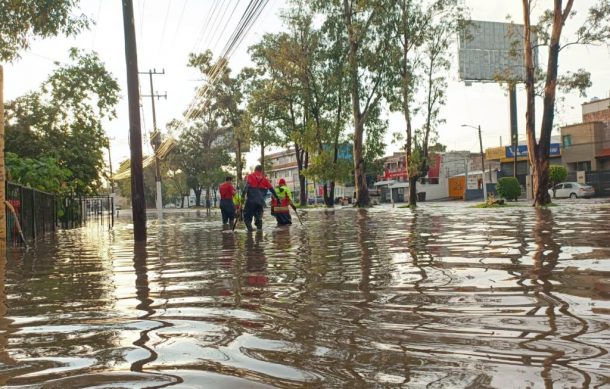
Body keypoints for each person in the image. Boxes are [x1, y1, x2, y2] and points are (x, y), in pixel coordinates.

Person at [241, 165, 280, 231]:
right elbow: (271, 189)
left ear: (255, 169)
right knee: (258, 216)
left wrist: (242, 196)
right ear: (261, 170)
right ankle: (259, 232)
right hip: (260, 201)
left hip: (251, 200)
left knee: (247, 216)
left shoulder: (250, 176)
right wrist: (277, 198)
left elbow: (247, 186)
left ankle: (249, 231)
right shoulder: (264, 179)